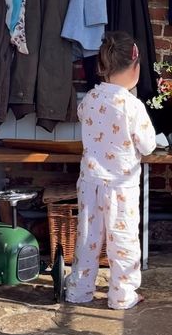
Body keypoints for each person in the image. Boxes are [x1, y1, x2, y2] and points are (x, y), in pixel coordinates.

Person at [65, 31, 157, 309]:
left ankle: (79, 291)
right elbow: (148, 145)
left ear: (104, 66)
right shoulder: (133, 106)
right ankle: (122, 295)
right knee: (123, 240)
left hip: (90, 182)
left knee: (88, 238)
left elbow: (84, 117)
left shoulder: (90, 99)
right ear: (135, 67)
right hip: (121, 186)